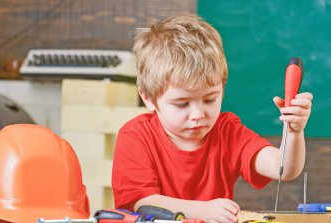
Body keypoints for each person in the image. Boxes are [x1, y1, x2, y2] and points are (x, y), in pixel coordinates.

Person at [111, 15, 313, 223]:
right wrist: (203, 211)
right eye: (182, 104)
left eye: (209, 100)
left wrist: (294, 131)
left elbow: (284, 169)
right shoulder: (136, 136)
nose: (198, 114)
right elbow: (143, 204)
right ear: (148, 98)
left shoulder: (228, 131)